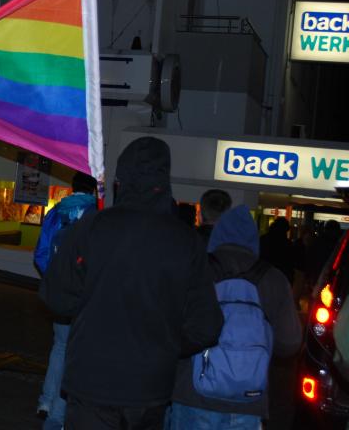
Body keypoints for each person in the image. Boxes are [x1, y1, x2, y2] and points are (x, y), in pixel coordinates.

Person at [41, 136, 223, 430]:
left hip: (92, 380)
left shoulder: (91, 228)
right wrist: (165, 344)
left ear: (119, 182)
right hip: (149, 387)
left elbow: (56, 296)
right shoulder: (186, 242)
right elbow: (206, 325)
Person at [167, 205, 302, 429]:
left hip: (193, 396)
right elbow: (290, 343)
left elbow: (169, 326)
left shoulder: (195, 269)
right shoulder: (274, 279)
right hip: (248, 400)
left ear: (217, 238)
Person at [34, 171, 98, 430]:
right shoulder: (97, 216)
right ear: (94, 190)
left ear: (72, 187)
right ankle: (58, 415)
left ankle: (46, 401)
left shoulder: (56, 212)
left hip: (60, 294)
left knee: (59, 347)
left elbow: (41, 252)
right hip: (84, 296)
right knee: (75, 353)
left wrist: (54, 279)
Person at [260, 217, 295, 285]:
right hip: (280, 278)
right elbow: (289, 265)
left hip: (263, 275)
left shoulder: (264, 239)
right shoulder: (287, 244)